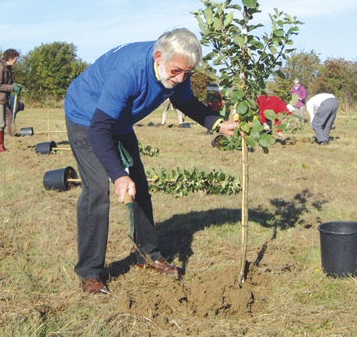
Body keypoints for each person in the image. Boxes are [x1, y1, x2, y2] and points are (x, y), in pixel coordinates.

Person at [64, 28, 238, 294]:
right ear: (159, 57)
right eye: (176, 71)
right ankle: (90, 272)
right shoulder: (128, 73)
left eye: (187, 73)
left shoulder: (178, 69)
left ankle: (147, 255)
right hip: (87, 119)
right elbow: (100, 130)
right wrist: (118, 175)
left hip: (119, 121)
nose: (181, 79)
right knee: (97, 190)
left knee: (140, 186)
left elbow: (187, 102)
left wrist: (215, 123)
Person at [0, 48, 21, 152]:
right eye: (15, 58)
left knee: (4, 120)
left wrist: (17, 86)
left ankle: (1, 146)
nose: (16, 60)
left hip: (4, 99)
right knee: (0, 123)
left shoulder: (8, 68)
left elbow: (10, 82)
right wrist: (12, 88)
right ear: (10, 58)